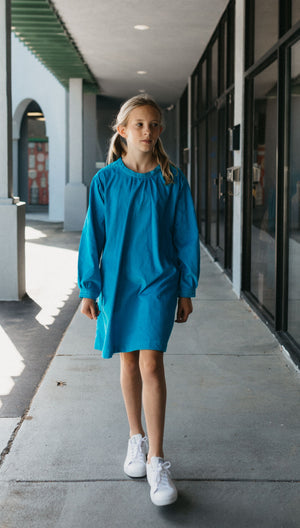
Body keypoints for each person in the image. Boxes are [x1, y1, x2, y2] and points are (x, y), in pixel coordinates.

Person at [78, 94, 200, 507]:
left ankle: (156, 458)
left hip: (159, 282)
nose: (149, 132)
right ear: (123, 130)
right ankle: (135, 437)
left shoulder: (172, 179)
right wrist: (88, 288)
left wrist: (186, 287)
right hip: (116, 284)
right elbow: (92, 236)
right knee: (128, 360)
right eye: (140, 125)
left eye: (155, 125)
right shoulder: (106, 181)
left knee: (151, 360)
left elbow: (186, 236)